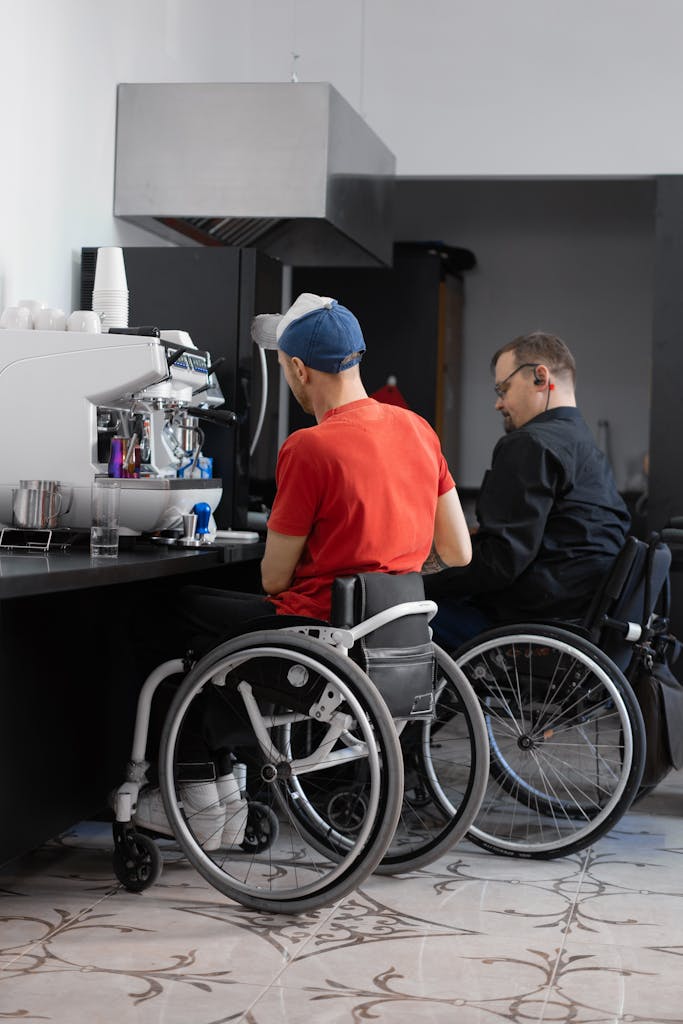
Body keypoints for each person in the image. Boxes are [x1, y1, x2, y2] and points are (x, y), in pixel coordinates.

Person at [133, 292, 471, 843]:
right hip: (394, 646)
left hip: (317, 645)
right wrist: (387, 569)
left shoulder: (310, 447)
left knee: (173, 611)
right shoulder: (419, 431)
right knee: (215, 626)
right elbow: (458, 551)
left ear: (296, 367)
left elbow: (273, 578)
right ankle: (223, 798)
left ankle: (198, 796)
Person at [424, 331, 631, 649]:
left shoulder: (531, 443)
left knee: (397, 613)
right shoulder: (584, 445)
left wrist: (419, 579)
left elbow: (500, 562)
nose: (498, 403)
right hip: (577, 622)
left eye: (503, 388)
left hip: (529, 625)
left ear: (540, 377)